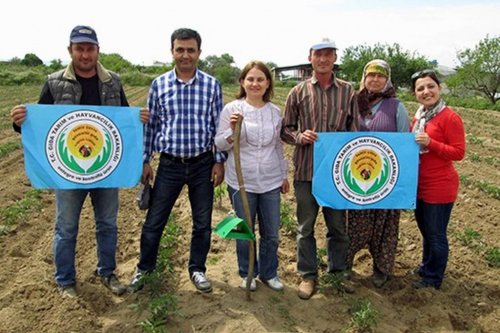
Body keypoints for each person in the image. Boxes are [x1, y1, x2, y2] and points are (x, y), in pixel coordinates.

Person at [9, 25, 149, 298]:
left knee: (107, 224)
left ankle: (107, 273)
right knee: (67, 227)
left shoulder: (113, 82)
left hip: (106, 169)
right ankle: (65, 281)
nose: (85, 54)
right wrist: (20, 122)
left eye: (90, 48)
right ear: (70, 50)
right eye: (79, 49)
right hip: (69, 171)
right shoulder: (54, 82)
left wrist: (138, 121)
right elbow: (40, 125)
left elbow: (122, 123)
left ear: (98, 50)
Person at [129, 28, 225, 293]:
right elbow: (152, 126)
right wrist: (145, 160)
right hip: (169, 165)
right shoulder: (159, 85)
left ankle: (197, 270)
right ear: (172, 51)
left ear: (199, 53)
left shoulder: (211, 85)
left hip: (203, 165)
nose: (185, 55)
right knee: (154, 222)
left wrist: (219, 161)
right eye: (180, 49)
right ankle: (144, 269)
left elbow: (218, 127)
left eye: (190, 50)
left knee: (202, 223)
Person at [281, 38, 359, 300]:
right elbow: (286, 129)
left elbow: (356, 130)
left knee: (337, 227)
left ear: (335, 57)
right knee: (305, 227)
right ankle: (307, 275)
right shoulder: (298, 91)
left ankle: (337, 273)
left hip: (338, 174)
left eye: (328, 54)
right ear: (310, 57)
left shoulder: (349, 92)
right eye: (318, 54)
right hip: (307, 171)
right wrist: (299, 136)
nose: (323, 59)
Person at [215, 61, 289, 292]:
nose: (255, 83)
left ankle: (269, 273)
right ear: (242, 82)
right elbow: (218, 143)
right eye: (250, 79)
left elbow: (278, 146)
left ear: (267, 84)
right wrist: (232, 131)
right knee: (244, 229)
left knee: (271, 232)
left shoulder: (275, 112)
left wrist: (284, 175)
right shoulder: (232, 109)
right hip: (241, 180)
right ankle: (247, 272)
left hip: (269, 180)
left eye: (260, 79)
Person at [346, 59, 410, 288]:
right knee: (353, 223)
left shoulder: (396, 107)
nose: (375, 79)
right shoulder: (353, 102)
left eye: (380, 76)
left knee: (385, 225)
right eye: (370, 75)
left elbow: (404, 145)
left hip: (385, 179)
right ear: (364, 77)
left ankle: (381, 269)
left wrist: (400, 183)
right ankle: (344, 266)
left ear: (387, 79)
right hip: (355, 177)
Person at [410, 70, 465, 289]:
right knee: (426, 232)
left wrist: (431, 143)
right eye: (420, 88)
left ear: (439, 88)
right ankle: (426, 266)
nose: (426, 92)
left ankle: (433, 279)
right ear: (415, 94)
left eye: (430, 86)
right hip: (420, 185)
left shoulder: (449, 117)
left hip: (440, 186)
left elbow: (459, 152)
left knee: (436, 235)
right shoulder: (419, 116)